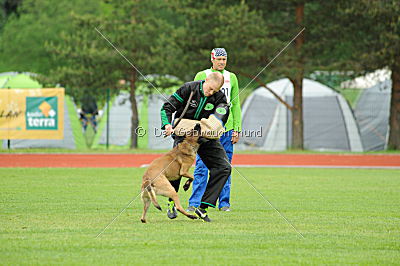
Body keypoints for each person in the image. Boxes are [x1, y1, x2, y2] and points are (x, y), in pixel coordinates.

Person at [161, 72, 231, 222]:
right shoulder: (188, 89)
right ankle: (171, 201)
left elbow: (222, 114)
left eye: (214, 91)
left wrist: (213, 126)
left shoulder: (219, 97)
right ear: (205, 80)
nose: (210, 93)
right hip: (184, 135)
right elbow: (166, 107)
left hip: (205, 137)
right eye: (209, 89)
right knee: (177, 169)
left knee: (224, 168)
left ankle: (203, 207)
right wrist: (167, 124)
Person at [187, 48, 242, 212]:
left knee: (225, 166)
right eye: (218, 59)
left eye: (224, 59)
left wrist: (237, 128)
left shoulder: (231, 77)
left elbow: (236, 104)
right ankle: (195, 202)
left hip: (226, 128)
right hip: (206, 128)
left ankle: (224, 203)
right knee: (202, 166)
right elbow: (194, 101)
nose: (222, 62)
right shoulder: (201, 75)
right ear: (212, 59)